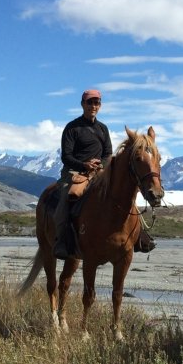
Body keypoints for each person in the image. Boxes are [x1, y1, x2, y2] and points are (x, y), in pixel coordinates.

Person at [53, 89, 113, 259]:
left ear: (100, 106)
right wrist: (84, 164)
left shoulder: (103, 128)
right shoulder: (72, 128)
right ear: (82, 104)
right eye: (90, 102)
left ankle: (135, 236)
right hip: (74, 172)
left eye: (97, 103)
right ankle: (61, 241)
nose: (93, 106)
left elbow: (108, 153)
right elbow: (66, 156)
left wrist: (100, 165)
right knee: (68, 195)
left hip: (98, 173)